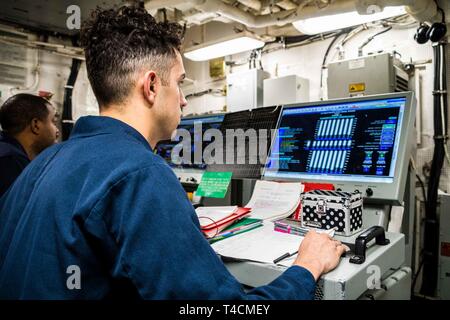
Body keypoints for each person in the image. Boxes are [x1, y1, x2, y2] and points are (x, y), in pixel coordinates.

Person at [0, 6, 346, 299]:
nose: (183, 99)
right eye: (179, 82)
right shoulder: (139, 173)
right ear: (151, 86)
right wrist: (307, 267)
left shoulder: (42, 163)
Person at [0, 93, 59, 197]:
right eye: (53, 122)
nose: (57, 130)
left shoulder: (7, 152)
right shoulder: (11, 162)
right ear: (35, 125)